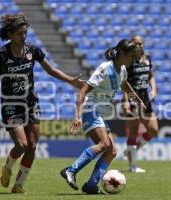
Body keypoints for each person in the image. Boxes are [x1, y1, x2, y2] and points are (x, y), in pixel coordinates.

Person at [0, 13, 84, 193]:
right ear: (11, 34)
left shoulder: (32, 51)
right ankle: (7, 166)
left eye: (25, 33)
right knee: (21, 145)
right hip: (11, 105)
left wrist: (71, 81)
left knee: (33, 145)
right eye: (20, 34)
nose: (24, 37)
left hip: (31, 103)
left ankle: (19, 185)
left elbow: (51, 70)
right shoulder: (0, 55)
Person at [60, 39, 146, 194]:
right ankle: (71, 170)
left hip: (100, 113)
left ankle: (91, 185)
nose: (133, 59)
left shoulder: (123, 70)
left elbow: (125, 85)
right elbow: (83, 91)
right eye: (131, 56)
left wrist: (138, 101)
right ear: (123, 54)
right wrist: (77, 116)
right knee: (104, 144)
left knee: (112, 151)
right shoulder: (105, 68)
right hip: (90, 109)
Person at [122, 35, 159, 173]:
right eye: (135, 43)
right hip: (132, 96)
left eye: (140, 43)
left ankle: (131, 151)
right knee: (133, 132)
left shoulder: (147, 58)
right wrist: (126, 101)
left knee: (153, 130)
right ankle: (133, 166)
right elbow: (123, 82)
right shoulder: (129, 60)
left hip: (145, 97)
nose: (138, 46)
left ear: (143, 45)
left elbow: (151, 75)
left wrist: (154, 89)